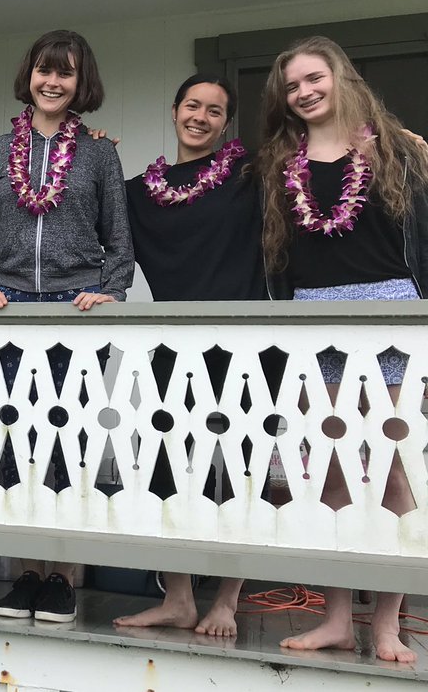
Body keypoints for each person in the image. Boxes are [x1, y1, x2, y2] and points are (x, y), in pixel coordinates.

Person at [255, 36, 428, 665]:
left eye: (313, 78)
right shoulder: (282, 162)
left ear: (341, 78)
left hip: (391, 312)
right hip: (314, 315)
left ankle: (387, 623)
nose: (303, 92)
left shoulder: (398, 151)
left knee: (393, 469)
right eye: (292, 86)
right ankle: (334, 617)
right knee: (328, 466)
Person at [0, 30, 131, 623]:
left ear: (80, 82)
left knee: (71, 439)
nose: (53, 82)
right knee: (16, 437)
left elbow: (119, 236)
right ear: (29, 75)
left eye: (65, 73)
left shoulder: (98, 154)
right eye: (44, 70)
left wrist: (109, 292)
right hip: (11, 305)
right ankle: (26, 574)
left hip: (75, 308)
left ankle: (64, 577)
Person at [112, 74, 263, 637]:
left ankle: (226, 598)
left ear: (227, 123)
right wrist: (90, 151)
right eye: (192, 106)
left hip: (244, 346)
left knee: (237, 472)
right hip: (171, 347)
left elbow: (318, 165)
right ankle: (179, 597)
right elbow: (88, 212)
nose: (201, 117)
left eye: (215, 111)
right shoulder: (138, 192)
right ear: (174, 111)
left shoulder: (252, 176)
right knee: (165, 471)